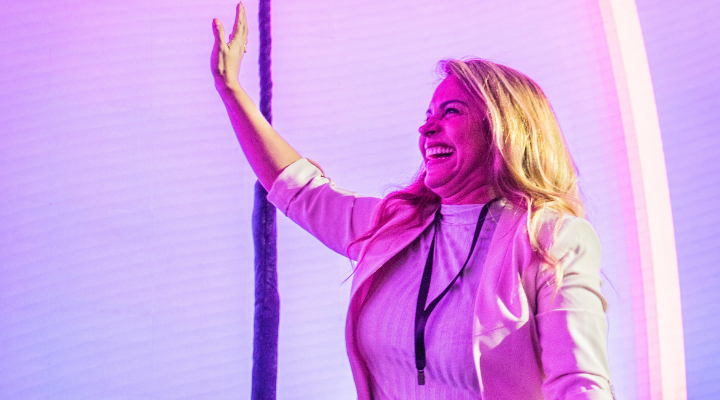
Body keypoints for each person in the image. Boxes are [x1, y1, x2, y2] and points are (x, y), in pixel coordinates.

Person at [212, 3, 613, 399]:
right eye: (427, 114)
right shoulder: (394, 226)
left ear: (502, 130)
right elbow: (298, 190)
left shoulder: (551, 239)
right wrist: (231, 91)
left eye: (450, 112)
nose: (426, 128)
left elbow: (580, 384)